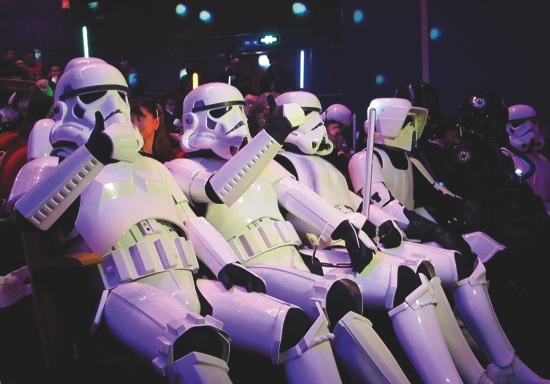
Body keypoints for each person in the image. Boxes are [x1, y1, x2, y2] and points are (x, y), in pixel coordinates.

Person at [7, 58, 346, 384]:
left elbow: (188, 221)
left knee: (297, 326)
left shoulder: (154, 167)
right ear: (67, 105)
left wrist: (226, 263)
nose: (115, 106)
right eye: (97, 96)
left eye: (122, 96)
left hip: (191, 281)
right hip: (124, 291)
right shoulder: (48, 168)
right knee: (193, 346)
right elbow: (28, 217)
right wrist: (93, 154)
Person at [164, 82, 512, 384]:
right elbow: (218, 190)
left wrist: (346, 227)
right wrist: (268, 140)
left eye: (241, 110)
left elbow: (296, 195)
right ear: (195, 119)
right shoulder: (181, 168)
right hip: (253, 264)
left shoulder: (266, 162)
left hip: (293, 257)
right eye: (226, 111)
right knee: (326, 309)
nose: (237, 120)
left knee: (402, 285)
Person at [348, 96, 549, 383]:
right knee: (462, 265)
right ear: (389, 121)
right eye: (407, 120)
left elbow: (438, 194)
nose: (414, 128)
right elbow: (385, 206)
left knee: (490, 255)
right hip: (389, 244)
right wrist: (438, 232)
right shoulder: (365, 159)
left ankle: (506, 362)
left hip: (412, 239)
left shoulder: (409, 160)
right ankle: (491, 368)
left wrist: (465, 206)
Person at [506, 104, 550, 213]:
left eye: (533, 122)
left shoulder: (542, 159)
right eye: (519, 123)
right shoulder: (507, 158)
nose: (530, 127)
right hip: (525, 214)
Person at [130, 98, 176, 163]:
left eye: (140, 118)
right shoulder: (125, 157)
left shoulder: (168, 159)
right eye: (130, 119)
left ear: (156, 122)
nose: (134, 124)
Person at [320, 103, 354, 189]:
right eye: (336, 128)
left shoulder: (343, 158)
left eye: (341, 133)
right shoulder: (314, 152)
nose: (340, 138)